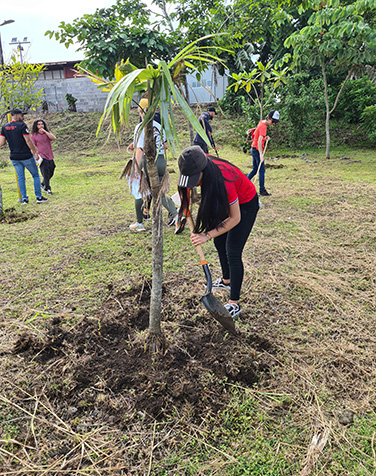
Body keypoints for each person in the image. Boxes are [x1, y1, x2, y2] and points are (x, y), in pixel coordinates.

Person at [177, 146, 259, 318]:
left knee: (233, 251)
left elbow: (235, 218)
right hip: (225, 201)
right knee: (219, 241)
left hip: (245, 205)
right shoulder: (196, 161)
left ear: (202, 171)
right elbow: (185, 189)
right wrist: (184, 207)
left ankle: (234, 303)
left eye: (194, 179)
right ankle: (226, 280)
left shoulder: (224, 178)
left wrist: (205, 235)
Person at [129, 99, 179, 232]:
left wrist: (136, 168)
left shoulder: (141, 127)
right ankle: (175, 215)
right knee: (158, 192)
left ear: (140, 111)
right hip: (161, 160)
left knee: (139, 190)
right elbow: (166, 145)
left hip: (148, 161)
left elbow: (139, 149)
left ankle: (140, 222)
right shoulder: (158, 124)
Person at [0, 109, 47, 204]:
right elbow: (28, 141)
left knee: (21, 178)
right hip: (26, 156)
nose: (23, 117)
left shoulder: (4, 127)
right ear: (16, 115)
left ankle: (24, 199)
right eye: (21, 115)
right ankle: (38, 197)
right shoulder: (22, 125)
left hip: (14, 157)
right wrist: (35, 152)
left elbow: (2, 143)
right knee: (35, 175)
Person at [247, 110, 280, 196]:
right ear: (268, 118)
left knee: (255, 169)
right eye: (273, 122)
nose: (273, 124)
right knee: (261, 170)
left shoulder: (261, 122)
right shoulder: (264, 127)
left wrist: (265, 138)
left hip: (253, 148)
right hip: (257, 150)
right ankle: (262, 190)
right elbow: (259, 140)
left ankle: (244, 183)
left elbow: (256, 134)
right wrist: (261, 155)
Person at [31, 119, 57, 195]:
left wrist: (45, 132)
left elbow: (53, 138)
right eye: (38, 124)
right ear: (36, 126)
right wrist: (35, 155)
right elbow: (32, 146)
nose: (40, 126)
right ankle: (48, 188)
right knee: (45, 172)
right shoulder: (34, 136)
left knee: (52, 169)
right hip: (41, 156)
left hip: (50, 155)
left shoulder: (47, 133)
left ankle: (43, 184)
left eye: (42, 124)